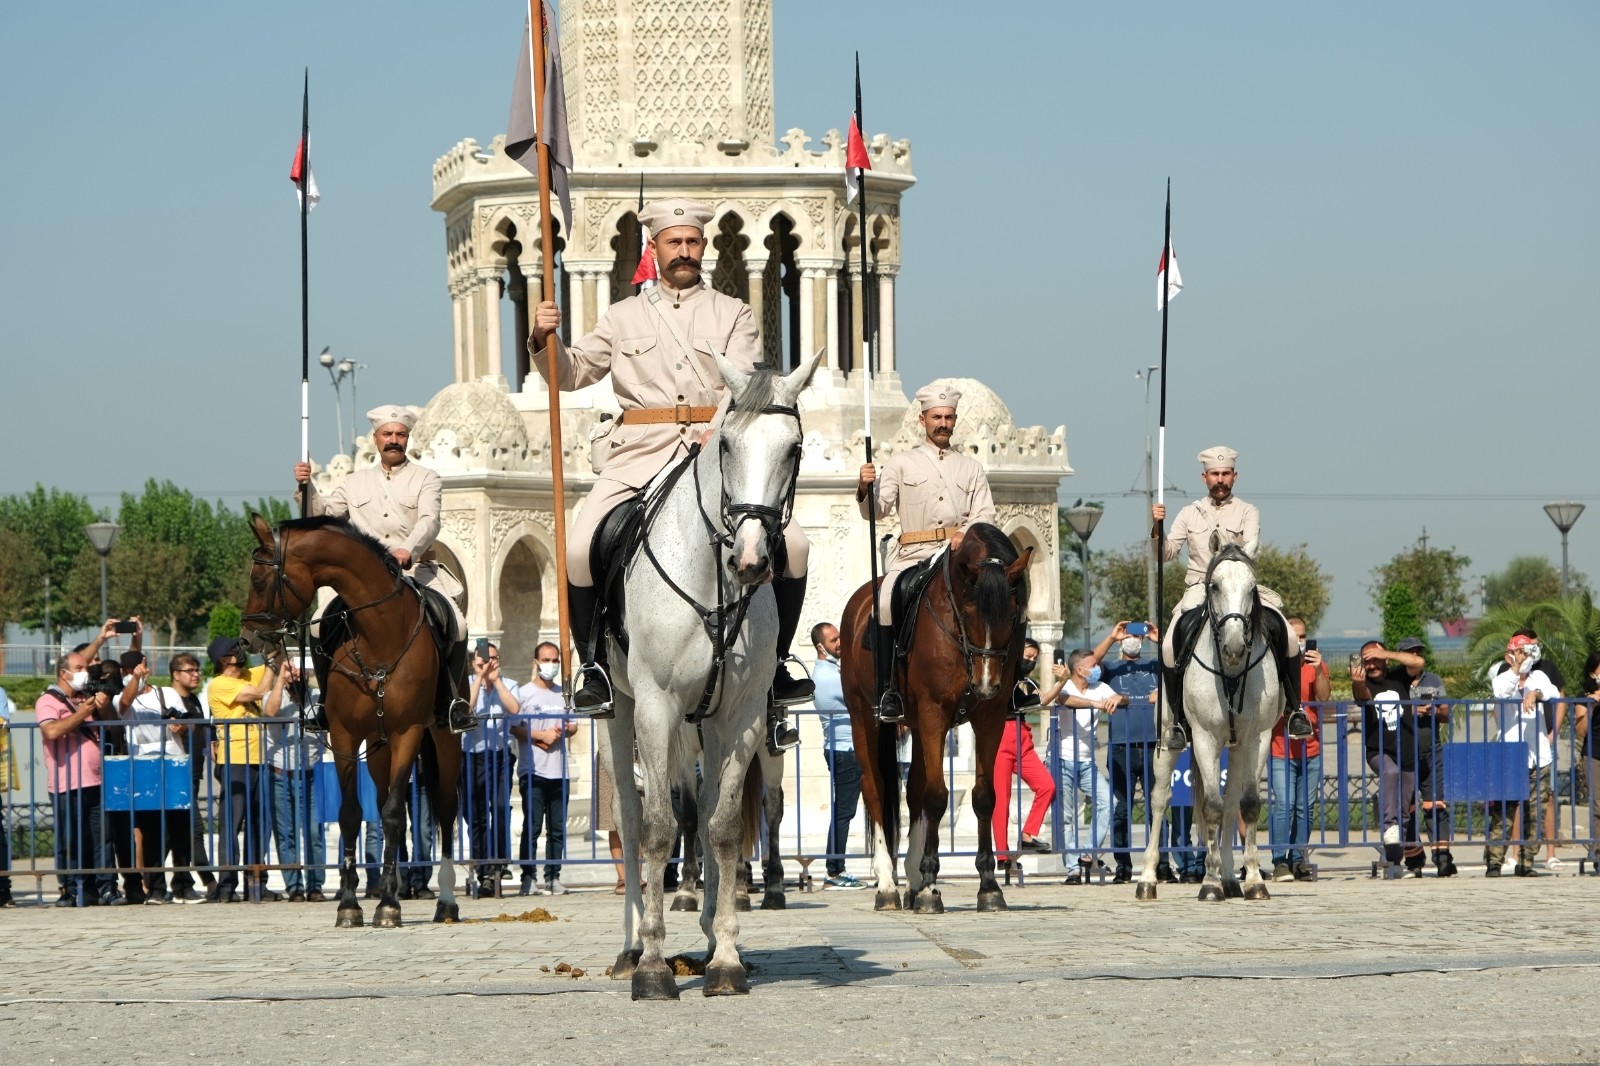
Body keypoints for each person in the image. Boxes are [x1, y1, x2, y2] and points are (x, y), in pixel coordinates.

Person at [529, 197, 813, 748]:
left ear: (703, 246)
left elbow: (748, 386)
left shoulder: (734, 313)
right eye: (673, 242)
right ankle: (594, 668)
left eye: (692, 241)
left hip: (714, 453)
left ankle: (774, 668)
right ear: (654, 249)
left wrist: (717, 429)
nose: (684, 251)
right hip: (639, 450)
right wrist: (545, 341)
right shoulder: (622, 315)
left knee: (795, 547)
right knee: (579, 546)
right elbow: (570, 373)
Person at [293, 405, 474, 734]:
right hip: (365, 580)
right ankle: (324, 702)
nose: (394, 440)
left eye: (400, 434)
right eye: (387, 434)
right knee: (319, 624)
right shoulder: (354, 482)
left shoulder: (426, 478)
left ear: (407, 438)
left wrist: (409, 548)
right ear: (375, 439)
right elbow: (324, 518)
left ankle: (451, 702)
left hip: (414, 571)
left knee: (458, 624)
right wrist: (307, 488)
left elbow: (430, 519)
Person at [856, 383, 997, 722]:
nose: (943, 423)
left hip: (958, 556)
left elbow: (985, 514)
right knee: (887, 598)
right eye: (936, 417)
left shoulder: (971, 468)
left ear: (955, 420)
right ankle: (889, 687)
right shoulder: (901, 463)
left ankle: (1013, 681)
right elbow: (876, 510)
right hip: (913, 555)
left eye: (948, 417)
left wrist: (964, 535)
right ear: (923, 420)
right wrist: (864, 486)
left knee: (1003, 594)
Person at [1151, 446, 1309, 750]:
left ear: (1234, 476)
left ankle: (1294, 710)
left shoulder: (1248, 511)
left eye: (1225, 474)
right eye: (1214, 474)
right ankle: (1178, 723)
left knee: (1288, 635)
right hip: (1200, 587)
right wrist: (1156, 528)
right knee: (1170, 645)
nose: (1220, 479)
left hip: (1239, 586)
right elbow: (1167, 554)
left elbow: (1252, 546)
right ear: (1204, 477)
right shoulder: (1189, 512)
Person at [1091, 621, 1178, 885]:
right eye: (1127, 635)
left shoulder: (1154, 665)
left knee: (1158, 808)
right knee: (1122, 809)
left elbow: (1180, 661)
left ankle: (1162, 864)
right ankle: (1123, 865)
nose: (1131, 639)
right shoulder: (1112, 669)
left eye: (1135, 635)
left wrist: (1158, 638)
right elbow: (1087, 665)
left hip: (1155, 745)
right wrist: (1112, 637)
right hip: (1121, 747)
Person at [36, 651, 120, 906]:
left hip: (95, 779)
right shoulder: (48, 701)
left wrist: (103, 707)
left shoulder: (86, 699)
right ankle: (70, 889)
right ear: (64, 673)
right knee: (69, 839)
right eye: (79, 667)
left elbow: (110, 726)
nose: (85, 672)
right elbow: (51, 730)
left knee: (102, 838)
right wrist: (81, 714)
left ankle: (107, 888)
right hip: (66, 782)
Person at [119, 651, 204, 902]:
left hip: (173, 760)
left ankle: (183, 884)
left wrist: (181, 726)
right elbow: (123, 706)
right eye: (131, 671)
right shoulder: (124, 696)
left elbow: (186, 719)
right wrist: (135, 680)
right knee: (151, 829)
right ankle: (155, 887)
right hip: (144, 764)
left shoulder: (165, 693)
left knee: (180, 827)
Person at [206, 637, 279, 902]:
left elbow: (274, 665)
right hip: (235, 760)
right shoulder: (220, 684)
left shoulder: (247, 673)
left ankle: (256, 883)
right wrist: (270, 662)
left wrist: (272, 642)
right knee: (231, 825)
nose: (239, 652)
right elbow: (260, 691)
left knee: (260, 825)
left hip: (260, 759)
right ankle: (227, 885)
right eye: (232, 650)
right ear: (222, 659)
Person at [1485, 634, 1559, 878]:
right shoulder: (1502, 676)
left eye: (1529, 653)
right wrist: (1515, 669)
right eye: (1522, 652)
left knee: (1535, 813)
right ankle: (1494, 862)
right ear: (1511, 654)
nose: (1527, 657)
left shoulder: (1539, 677)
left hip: (1538, 755)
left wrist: (1535, 693)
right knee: (1504, 812)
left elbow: (1553, 692)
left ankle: (1526, 863)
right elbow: (1502, 693)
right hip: (1509, 754)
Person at [1351, 639, 1426, 876]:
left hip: (1407, 750)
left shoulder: (1398, 676)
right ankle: (1390, 829)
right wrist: (1359, 682)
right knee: (1390, 772)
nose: (1371, 664)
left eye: (1375, 659)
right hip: (1379, 750)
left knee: (1405, 807)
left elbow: (1418, 662)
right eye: (1366, 660)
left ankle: (1394, 858)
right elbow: (1362, 695)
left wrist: (1389, 653)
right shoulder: (1364, 683)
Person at [1267, 619, 1330, 882]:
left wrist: (1317, 671)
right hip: (1281, 748)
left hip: (1310, 747)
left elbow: (1324, 697)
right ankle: (1280, 861)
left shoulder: (1313, 664)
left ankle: (1298, 859)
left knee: (1306, 807)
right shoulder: (1274, 665)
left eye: (1303, 636)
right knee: (1285, 806)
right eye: (1295, 636)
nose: (1300, 641)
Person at [512, 642, 576, 896]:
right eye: (546, 659)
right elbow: (514, 727)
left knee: (557, 828)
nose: (551, 664)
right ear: (535, 662)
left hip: (560, 771)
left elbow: (573, 725)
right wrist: (541, 734)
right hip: (534, 770)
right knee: (533, 826)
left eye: (555, 660)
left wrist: (566, 730)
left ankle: (553, 876)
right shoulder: (524, 693)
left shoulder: (563, 694)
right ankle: (528, 877)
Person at [262, 657, 327, 903]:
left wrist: (314, 673)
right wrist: (281, 678)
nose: (297, 675)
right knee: (285, 833)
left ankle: (315, 885)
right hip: (280, 771)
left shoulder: (317, 696)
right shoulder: (275, 694)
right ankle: (294, 886)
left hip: (310, 773)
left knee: (313, 831)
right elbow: (270, 712)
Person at [993, 639, 1059, 866]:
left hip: (1022, 738)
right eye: (1027, 656)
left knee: (1047, 785)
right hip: (1001, 735)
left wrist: (1062, 681)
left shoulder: (1027, 680)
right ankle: (1002, 854)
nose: (1030, 661)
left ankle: (1028, 834)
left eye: (1034, 658)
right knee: (1001, 800)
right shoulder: (1002, 672)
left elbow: (1042, 701)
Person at [809, 622, 864, 889]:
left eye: (840, 637)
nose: (840, 642)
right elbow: (863, 696)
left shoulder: (831, 671)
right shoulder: (829, 677)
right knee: (844, 811)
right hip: (845, 751)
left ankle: (835, 867)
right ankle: (835, 870)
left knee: (844, 810)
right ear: (821, 647)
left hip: (843, 749)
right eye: (834, 640)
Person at [1395, 637, 1456, 877]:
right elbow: (1387, 710)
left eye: (1418, 652)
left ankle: (1443, 858)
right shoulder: (1394, 681)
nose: (1416, 657)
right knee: (1407, 809)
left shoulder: (1433, 680)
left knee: (1436, 805)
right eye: (1410, 653)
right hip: (1403, 753)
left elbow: (1445, 715)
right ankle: (1414, 860)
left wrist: (1438, 710)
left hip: (1432, 751)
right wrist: (1412, 710)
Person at [461, 642, 517, 896]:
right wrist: (480, 679)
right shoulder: (466, 684)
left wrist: (496, 681)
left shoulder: (509, 683)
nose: (487, 664)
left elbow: (514, 709)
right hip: (472, 756)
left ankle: (500, 861)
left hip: (500, 755)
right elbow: (467, 710)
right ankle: (482, 865)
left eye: (492, 659)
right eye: (481, 661)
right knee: (476, 814)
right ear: (473, 663)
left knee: (502, 808)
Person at [1055, 649, 1115, 884]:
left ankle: (1088, 853)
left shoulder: (1100, 687)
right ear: (1080, 669)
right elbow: (1062, 699)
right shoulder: (1066, 686)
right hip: (1062, 758)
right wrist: (1095, 704)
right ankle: (1072, 869)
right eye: (1092, 664)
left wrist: (1116, 699)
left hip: (1088, 761)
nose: (1097, 667)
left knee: (1108, 801)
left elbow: (1121, 698)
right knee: (1067, 815)